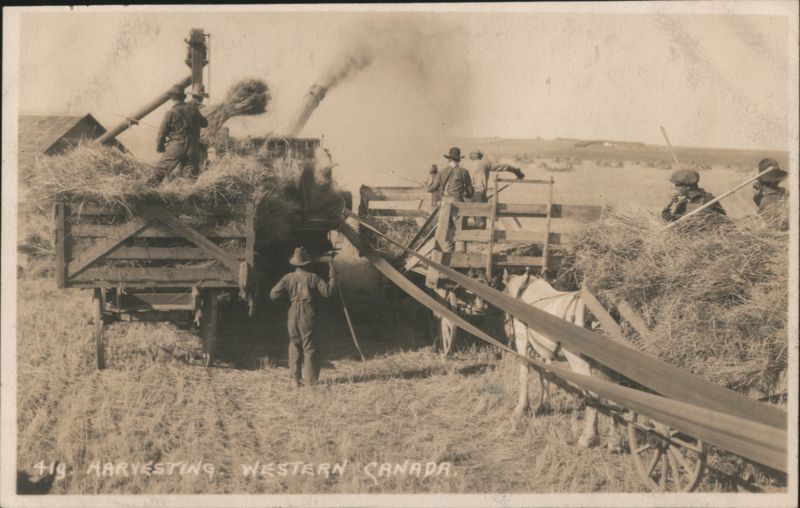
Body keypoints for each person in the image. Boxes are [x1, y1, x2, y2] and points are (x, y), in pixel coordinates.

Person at [269, 247, 336, 387]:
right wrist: (332, 276)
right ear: (307, 263)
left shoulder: (287, 278)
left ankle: (294, 380)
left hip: (292, 313)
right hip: (307, 313)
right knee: (309, 346)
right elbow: (328, 292)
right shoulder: (313, 277)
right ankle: (311, 381)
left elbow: (273, 294)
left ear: (295, 264)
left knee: (294, 344)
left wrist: (288, 302)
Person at [153, 85, 208, 182]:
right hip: (193, 149)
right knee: (190, 178)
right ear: (184, 97)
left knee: (159, 173)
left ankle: (149, 191)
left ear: (172, 98)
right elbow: (205, 123)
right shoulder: (194, 111)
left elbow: (161, 134)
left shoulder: (170, 113)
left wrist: (160, 147)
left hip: (176, 147)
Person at [427, 147, 474, 252]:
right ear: (459, 159)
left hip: (445, 204)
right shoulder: (464, 172)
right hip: (458, 204)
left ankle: (448, 257)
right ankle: (460, 259)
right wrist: (467, 194)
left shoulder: (442, 172)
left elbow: (430, 189)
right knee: (460, 231)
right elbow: (470, 192)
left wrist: (431, 175)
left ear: (449, 159)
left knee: (448, 231)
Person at [464, 149, 525, 228]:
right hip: (480, 195)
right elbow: (503, 167)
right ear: (480, 156)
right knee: (480, 223)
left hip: (467, 196)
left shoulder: (465, 165)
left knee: (464, 221)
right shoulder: (484, 163)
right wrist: (517, 171)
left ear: (471, 156)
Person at [661, 169, 726, 223]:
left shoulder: (708, 199)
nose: (675, 188)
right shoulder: (684, 202)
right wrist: (667, 206)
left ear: (688, 187)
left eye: (678, 185)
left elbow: (724, 221)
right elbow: (671, 223)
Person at [753, 158, 789, 230]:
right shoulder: (785, 193)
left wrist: (757, 197)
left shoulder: (766, 201)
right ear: (778, 180)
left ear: (760, 183)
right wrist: (758, 197)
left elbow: (766, 226)